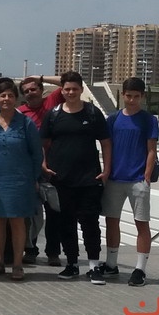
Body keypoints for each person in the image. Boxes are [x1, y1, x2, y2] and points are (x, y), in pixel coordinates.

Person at [40, 71, 110, 282]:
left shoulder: (93, 113)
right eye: (67, 89)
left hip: (89, 179)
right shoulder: (53, 114)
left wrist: (107, 169)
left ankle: (94, 266)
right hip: (61, 179)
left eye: (74, 89)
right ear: (62, 90)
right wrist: (43, 164)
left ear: (81, 90)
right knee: (66, 223)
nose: (71, 92)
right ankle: (71, 264)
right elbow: (43, 142)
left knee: (90, 224)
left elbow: (106, 143)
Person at [0, 78, 42, 281]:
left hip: (20, 181)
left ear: (16, 99)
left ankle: (17, 264)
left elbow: (36, 154)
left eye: (10, 95)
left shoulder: (26, 123)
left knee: (17, 221)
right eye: (2, 95)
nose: (6, 99)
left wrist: (34, 178)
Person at [100, 77, 158, 287]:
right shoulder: (113, 119)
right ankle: (111, 264)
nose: (132, 100)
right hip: (115, 178)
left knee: (141, 223)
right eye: (128, 96)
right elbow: (107, 147)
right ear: (123, 95)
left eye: (136, 96)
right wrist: (106, 171)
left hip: (137, 179)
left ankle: (140, 269)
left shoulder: (148, 120)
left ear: (142, 97)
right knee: (111, 221)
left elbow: (151, 150)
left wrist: (146, 175)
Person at [18, 74, 65, 265]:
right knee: (32, 212)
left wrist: (40, 77)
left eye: (34, 88)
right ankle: (30, 249)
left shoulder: (51, 102)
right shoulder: (20, 113)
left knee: (54, 211)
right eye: (26, 91)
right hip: (31, 168)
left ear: (41, 89)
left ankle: (53, 252)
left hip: (54, 165)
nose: (31, 93)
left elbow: (68, 81)